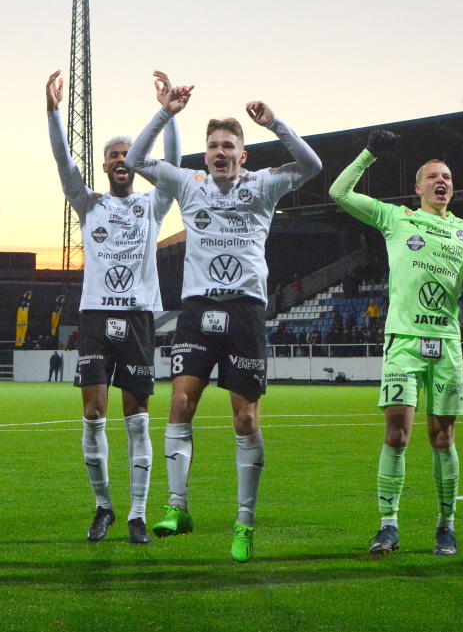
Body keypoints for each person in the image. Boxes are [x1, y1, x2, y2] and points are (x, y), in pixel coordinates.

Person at [126, 72, 321, 562]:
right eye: (212, 145)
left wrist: (275, 123)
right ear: (206, 153)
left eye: (228, 145)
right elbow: (136, 160)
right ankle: (177, 508)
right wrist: (166, 112)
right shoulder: (189, 183)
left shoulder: (263, 185)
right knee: (180, 403)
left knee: (245, 418)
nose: (219, 152)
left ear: (242, 155)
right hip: (197, 309)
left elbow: (312, 165)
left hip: (246, 312)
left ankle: (244, 523)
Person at [329, 130, 463, 557]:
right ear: (418, 187)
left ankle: (447, 527)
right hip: (403, 342)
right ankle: (388, 525)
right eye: (433, 177)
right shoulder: (397, 219)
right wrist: (369, 153)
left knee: (443, 438)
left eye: (447, 178)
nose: (442, 181)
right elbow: (339, 193)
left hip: (446, 343)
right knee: (397, 435)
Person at [47, 69, 181, 544]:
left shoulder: (153, 205)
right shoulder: (89, 204)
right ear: (104, 166)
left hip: (139, 316)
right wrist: (53, 113)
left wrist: (169, 113)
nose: (121, 160)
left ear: (136, 163)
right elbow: (63, 162)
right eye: (113, 156)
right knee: (93, 414)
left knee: (137, 417)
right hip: (96, 316)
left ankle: (137, 514)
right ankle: (103, 507)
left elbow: (173, 164)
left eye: (127, 155)